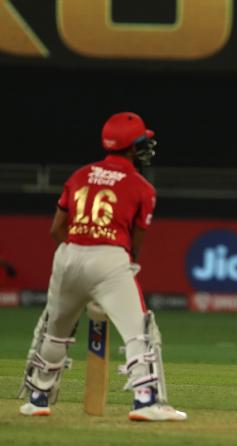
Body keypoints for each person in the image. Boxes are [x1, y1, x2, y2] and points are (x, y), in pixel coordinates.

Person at [18, 112, 187, 421]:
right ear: (133, 147)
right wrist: (114, 268)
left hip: (68, 254)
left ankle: (37, 398)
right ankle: (145, 401)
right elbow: (135, 243)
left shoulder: (80, 175)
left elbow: (57, 229)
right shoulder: (141, 187)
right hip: (109, 258)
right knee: (139, 331)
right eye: (142, 142)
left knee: (55, 331)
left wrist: (76, 258)